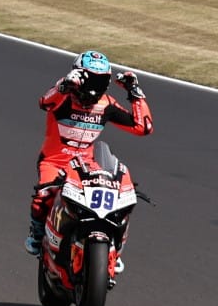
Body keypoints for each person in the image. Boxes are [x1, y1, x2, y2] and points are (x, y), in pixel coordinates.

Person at [23, 50, 153, 274]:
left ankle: (115, 248)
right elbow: (45, 102)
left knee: (120, 198)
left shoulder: (106, 104)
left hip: (86, 165)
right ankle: (36, 236)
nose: (92, 88)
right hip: (54, 161)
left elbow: (143, 127)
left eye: (99, 81)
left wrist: (135, 93)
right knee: (43, 196)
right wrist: (65, 85)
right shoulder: (62, 95)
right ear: (77, 76)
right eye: (89, 79)